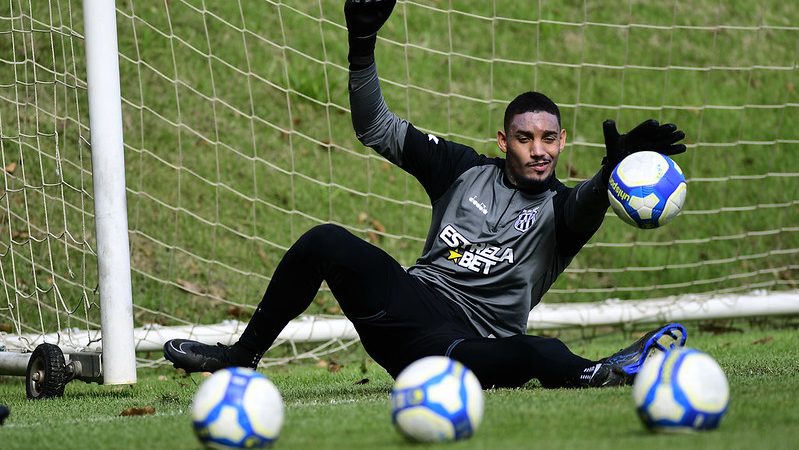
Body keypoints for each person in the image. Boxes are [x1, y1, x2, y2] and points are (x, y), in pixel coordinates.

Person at [163, 0, 688, 389]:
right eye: (525, 138)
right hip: (407, 310)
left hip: (470, 348)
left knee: (531, 352)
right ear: (504, 141)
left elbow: (589, 200)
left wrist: (612, 167)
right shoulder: (461, 169)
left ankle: (608, 372)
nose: (538, 150)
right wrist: (361, 49)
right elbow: (377, 129)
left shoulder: (563, 211)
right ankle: (243, 355)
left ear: (561, 141)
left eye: (549, 138)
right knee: (325, 240)